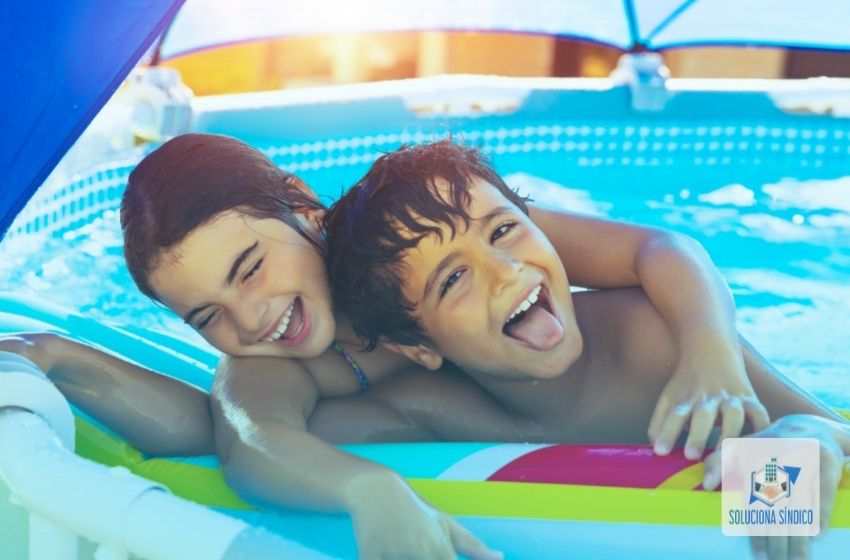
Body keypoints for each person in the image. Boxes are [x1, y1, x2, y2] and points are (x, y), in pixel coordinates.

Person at [0, 132, 771, 559]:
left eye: (250, 267)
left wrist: (712, 352)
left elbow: (656, 252)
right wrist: (368, 490)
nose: (252, 316)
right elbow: (235, 437)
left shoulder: (434, 235)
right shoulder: (273, 362)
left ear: (305, 208)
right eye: (208, 316)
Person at [323, 139, 850, 560]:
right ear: (416, 346)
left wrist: (800, 434)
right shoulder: (432, 409)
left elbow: (831, 430)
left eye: (504, 230)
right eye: (454, 278)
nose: (505, 271)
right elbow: (277, 439)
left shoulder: (654, 341)